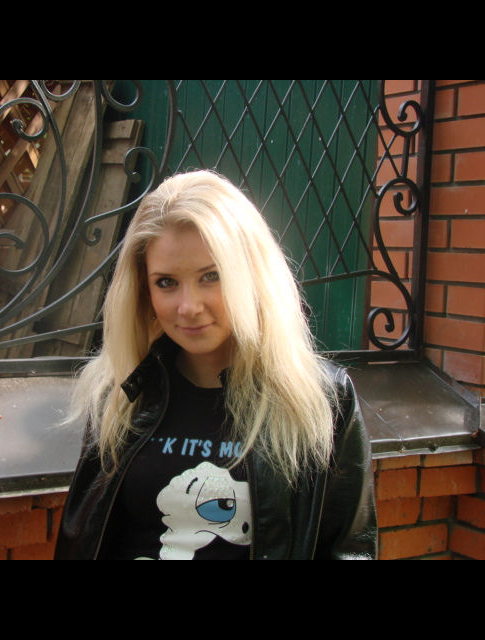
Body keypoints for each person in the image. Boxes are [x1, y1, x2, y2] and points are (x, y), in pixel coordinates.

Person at [54, 170, 377, 560]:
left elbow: (349, 549)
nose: (189, 307)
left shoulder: (321, 400)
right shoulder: (121, 393)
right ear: (143, 290)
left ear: (251, 277)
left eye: (211, 276)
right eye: (166, 282)